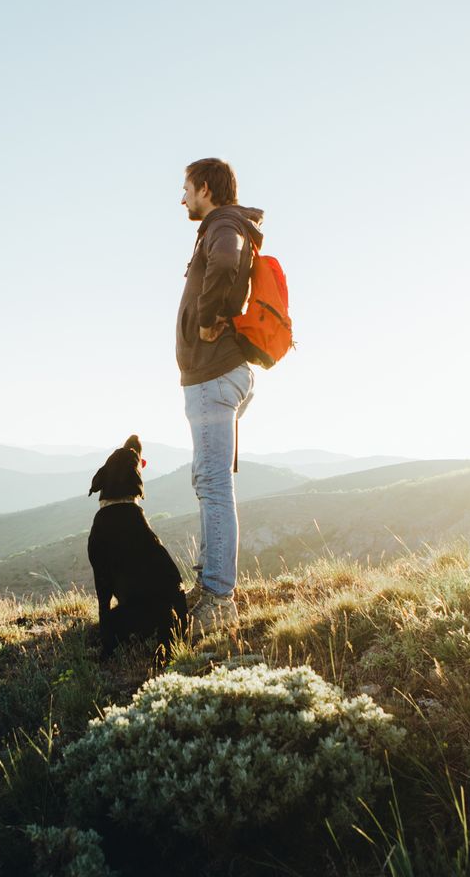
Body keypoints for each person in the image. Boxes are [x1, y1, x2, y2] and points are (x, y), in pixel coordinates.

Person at [176, 157, 263, 635]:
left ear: (205, 188)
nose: (182, 198)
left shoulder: (223, 225)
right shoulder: (221, 226)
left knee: (213, 485)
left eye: (186, 188)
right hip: (212, 376)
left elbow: (227, 261)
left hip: (215, 374)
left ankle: (218, 599)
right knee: (208, 481)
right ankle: (211, 586)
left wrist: (208, 320)